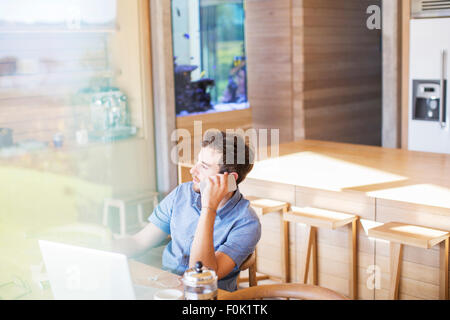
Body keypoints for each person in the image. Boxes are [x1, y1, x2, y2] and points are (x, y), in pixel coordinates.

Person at [111, 130, 261, 292]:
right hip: (166, 289)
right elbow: (139, 242)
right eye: (197, 162)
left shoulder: (247, 223)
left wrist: (208, 208)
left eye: (203, 166)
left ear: (230, 178)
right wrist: (99, 250)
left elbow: (202, 276)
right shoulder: (182, 194)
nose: (192, 171)